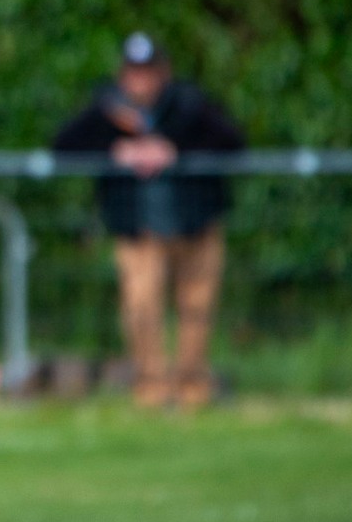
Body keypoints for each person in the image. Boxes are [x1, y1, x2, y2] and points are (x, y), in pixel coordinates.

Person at [52, 33, 245, 408]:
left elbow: (234, 143)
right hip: (138, 230)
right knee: (141, 307)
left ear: (163, 72)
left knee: (197, 308)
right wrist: (116, 152)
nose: (140, 81)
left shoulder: (190, 105)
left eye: (148, 72)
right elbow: (62, 147)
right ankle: (152, 389)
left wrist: (174, 150)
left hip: (196, 225)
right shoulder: (107, 111)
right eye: (133, 72)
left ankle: (192, 388)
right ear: (123, 74)